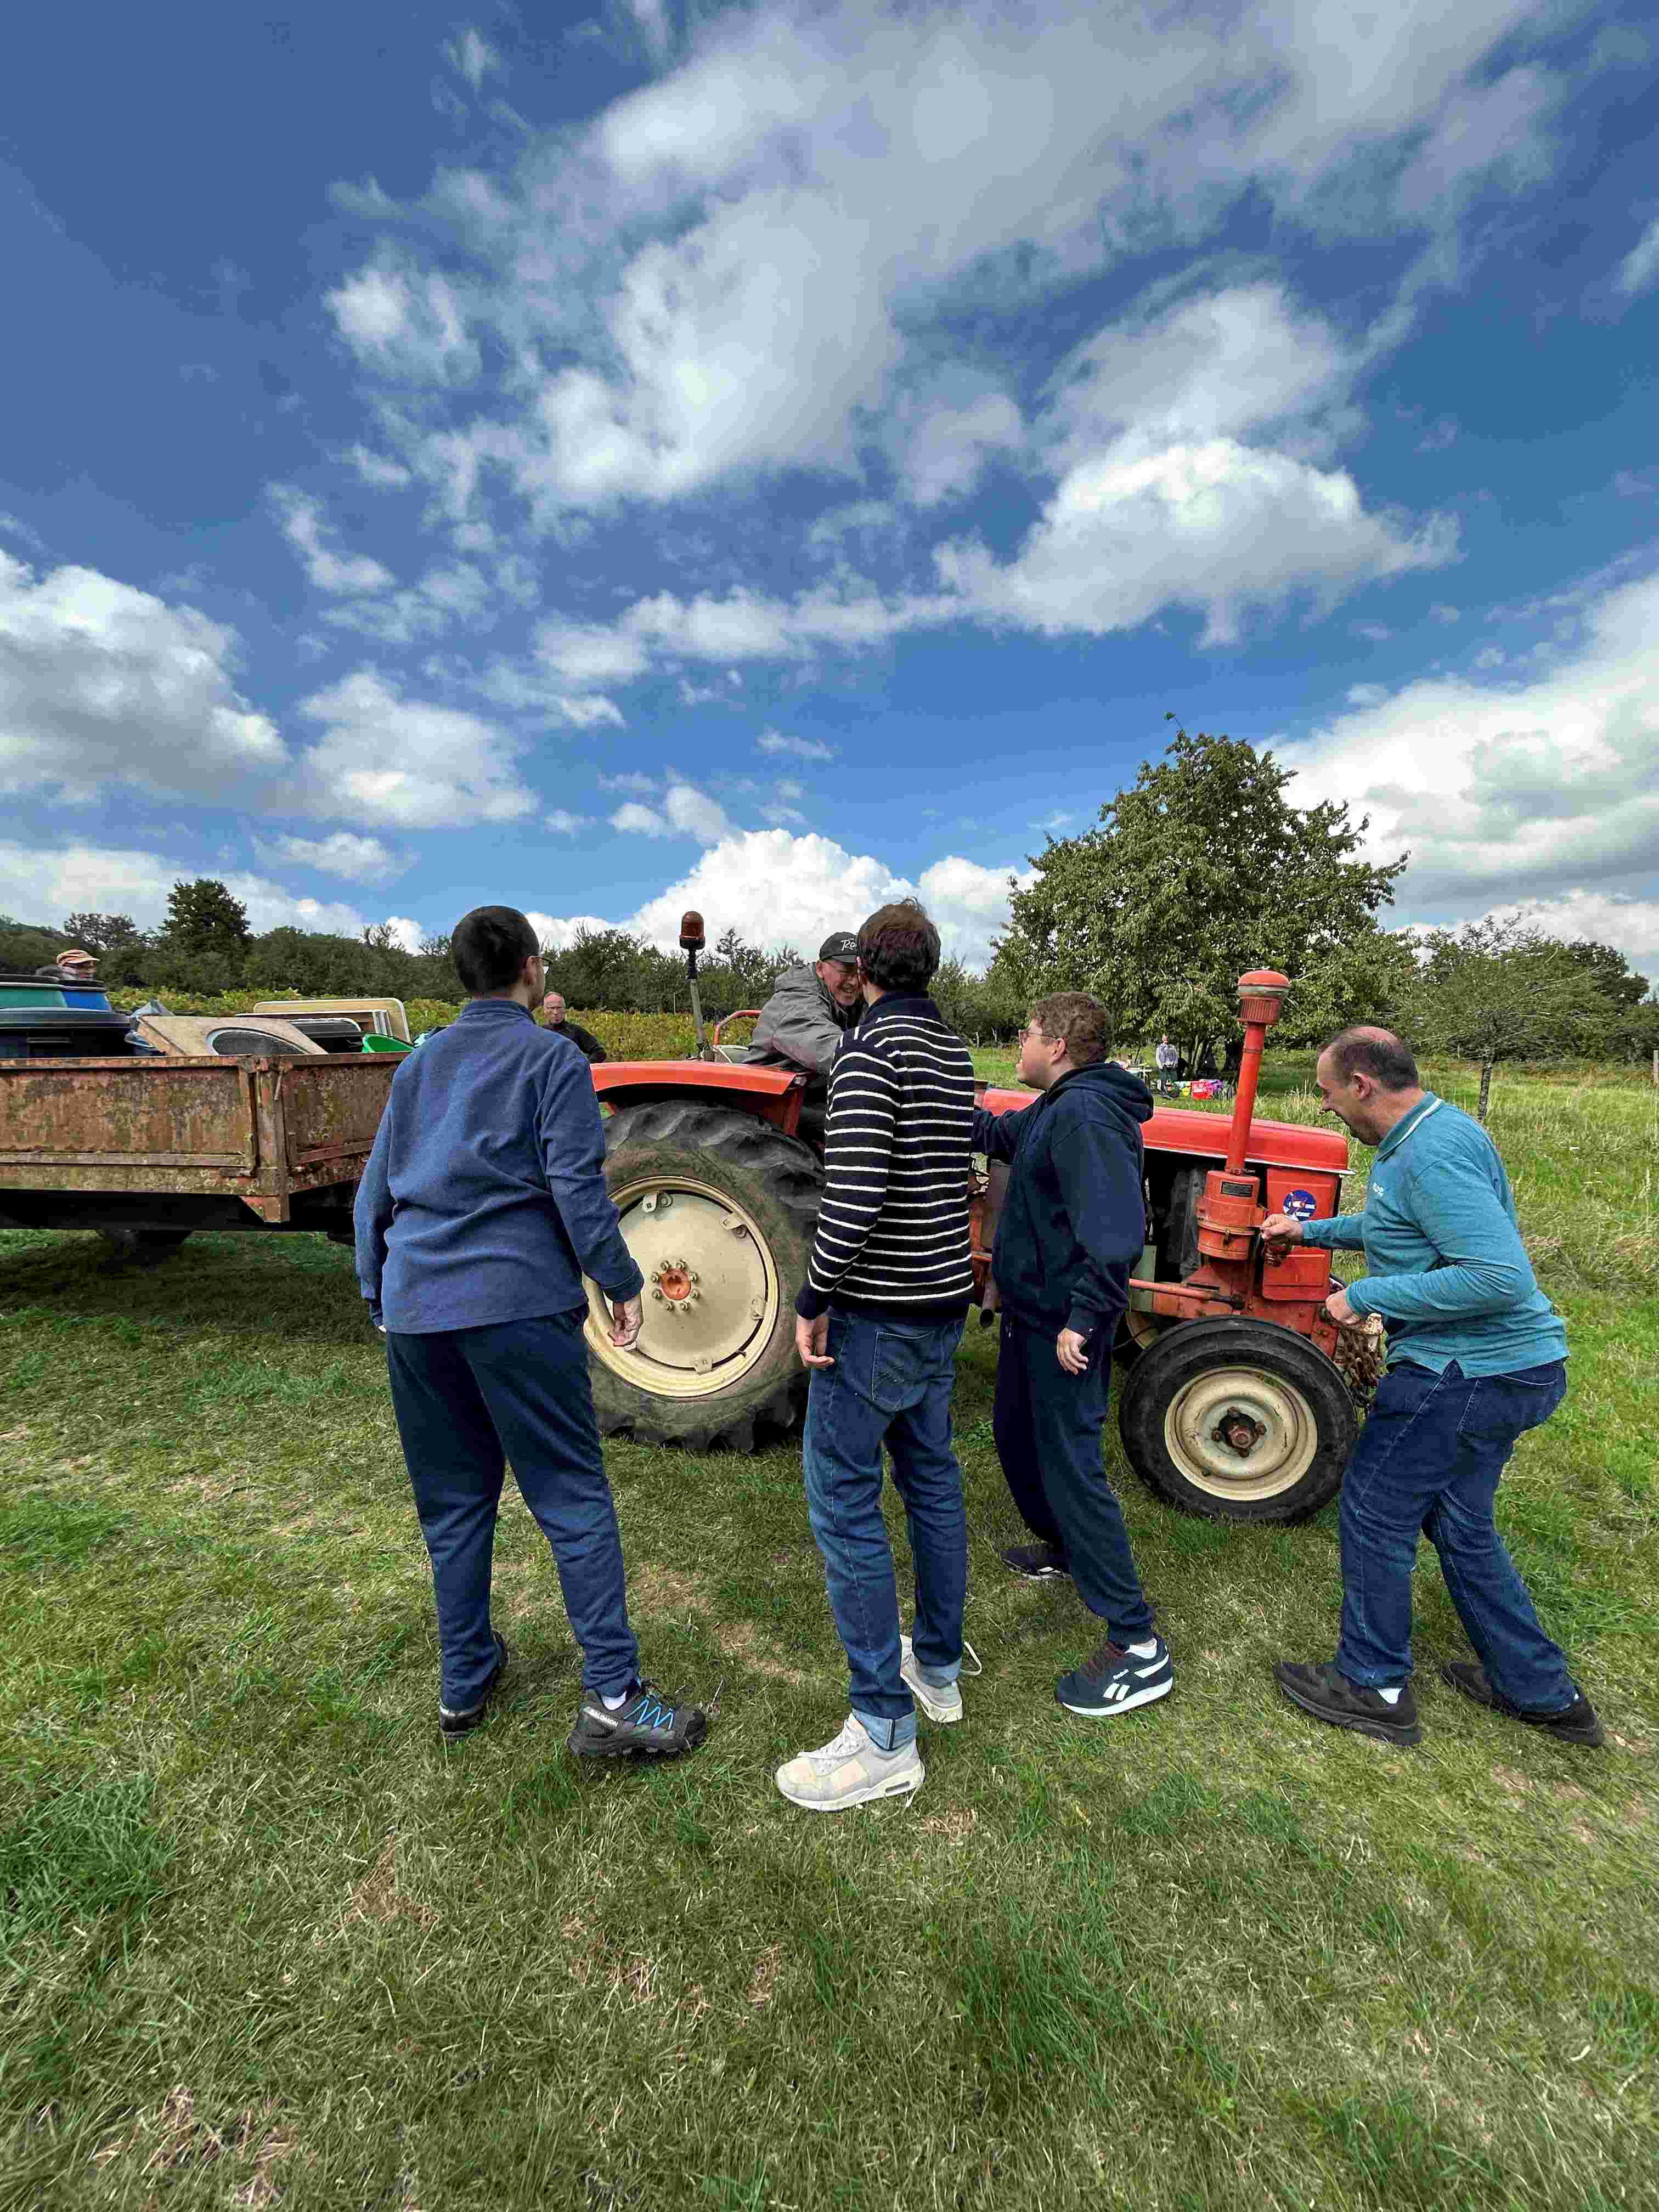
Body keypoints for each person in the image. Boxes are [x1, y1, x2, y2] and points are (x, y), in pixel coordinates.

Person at [354, 904, 707, 1759]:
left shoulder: (420, 1063)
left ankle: (465, 1677)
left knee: (453, 1505)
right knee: (572, 1498)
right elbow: (580, 1194)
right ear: (532, 968)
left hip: (417, 1308)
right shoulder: (551, 1059)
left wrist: (380, 1289)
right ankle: (615, 1699)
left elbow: (376, 1189)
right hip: (514, 1306)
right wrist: (621, 1284)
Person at [1266, 1026, 1602, 1750]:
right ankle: (1541, 1691)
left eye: (1327, 1094)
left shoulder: (1432, 1151)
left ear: (1362, 1084)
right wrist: (1311, 1232)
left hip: (1465, 1375)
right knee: (1459, 1525)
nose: (1326, 1110)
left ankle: (1374, 1684)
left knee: (1375, 1510)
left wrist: (1367, 1296)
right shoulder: (1426, 1135)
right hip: (1509, 1372)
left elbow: (1499, 1276)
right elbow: (1396, 1226)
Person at [776, 900, 977, 1812]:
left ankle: (882, 1730)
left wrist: (811, 1299)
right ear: (928, 966)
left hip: (879, 1316)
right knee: (930, 1480)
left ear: (860, 968)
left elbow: (849, 1203)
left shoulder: (868, 1054)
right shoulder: (952, 1051)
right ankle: (935, 1666)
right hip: (939, 1306)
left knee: (842, 1499)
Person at [976, 995, 1171, 1721]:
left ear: (1056, 1044)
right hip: (1033, 1314)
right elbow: (998, 1133)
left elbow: (1117, 1233)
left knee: (1073, 1463)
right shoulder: (1060, 1105)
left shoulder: (1088, 1117)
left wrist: (1086, 1318)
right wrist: (929, 1100)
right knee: (1017, 1440)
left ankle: (1137, 1643)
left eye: (1024, 1033)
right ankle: (1062, 1546)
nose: (1018, 1045)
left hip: (1066, 1325)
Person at [538, 990, 607, 1064]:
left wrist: (582, 1067)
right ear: (545, 1010)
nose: (556, 1012)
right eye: (552, 1008)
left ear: (564, 1009)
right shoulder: (540, 1033)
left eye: (559, 1008)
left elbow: (600, 1053)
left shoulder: (575, 1031)